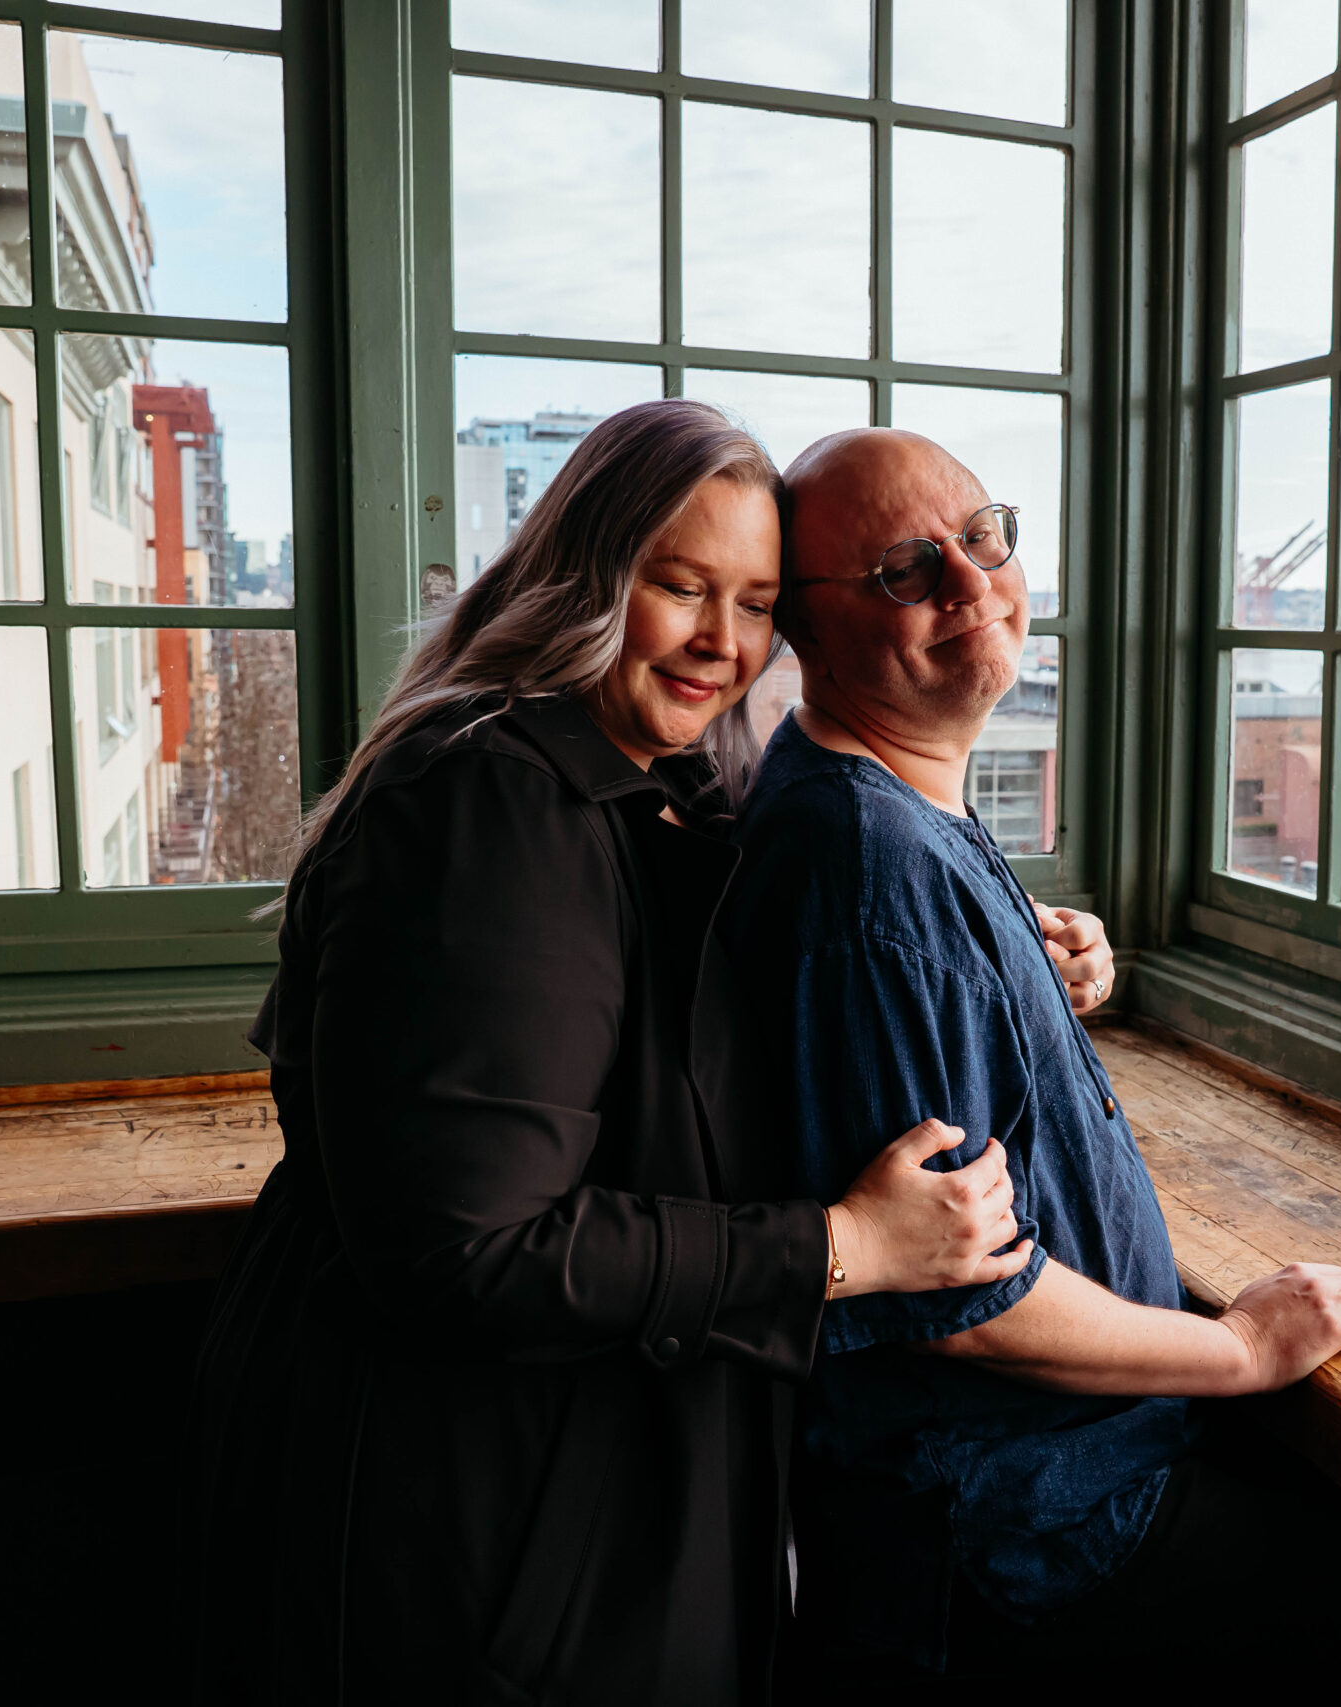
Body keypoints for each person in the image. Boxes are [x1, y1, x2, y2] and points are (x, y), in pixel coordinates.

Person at [189, 401, 1046, 1705]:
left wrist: (1019, 944)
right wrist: (840, 1247)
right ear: (586, 579)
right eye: (681, 585)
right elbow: (472, 1245)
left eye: (757, 602)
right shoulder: (493, 802)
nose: (725, 640)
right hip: (480, 1519)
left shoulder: (631, 781)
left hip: (548, 1497)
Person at [723, 429, 1341, 1682]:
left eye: (981, 538)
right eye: (901, 570)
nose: (970, 586)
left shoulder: (892, 798)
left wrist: (1032, 972)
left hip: (1057, 1486)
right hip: (1035, 1530)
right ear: (804, 634)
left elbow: (929, 1020)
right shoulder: (868, 869)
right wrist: (1243, 1351)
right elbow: (959, 1302)